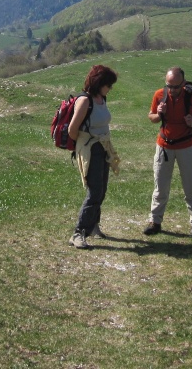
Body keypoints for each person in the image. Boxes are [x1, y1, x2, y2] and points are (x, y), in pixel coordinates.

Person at [143, 67, 192, 238]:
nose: (172, 90)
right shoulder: (159, 94)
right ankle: (155, 222)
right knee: (160, 187)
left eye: (176, 86)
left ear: (183, 83)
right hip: (164, 146)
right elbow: (151, 117)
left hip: (187, 146)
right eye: (169, 86)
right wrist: (159, 114)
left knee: (191, 187)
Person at [68, 65, 120, 250]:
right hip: (90, 150)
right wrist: (86, 143)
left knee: (102, 190)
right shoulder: (85, 101)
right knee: (94, 192)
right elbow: (72, 130)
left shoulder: (101, 98)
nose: (110, 88)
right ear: (99, 83)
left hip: (103, 147)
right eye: (108, 84)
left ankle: (93, 226)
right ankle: (78, 233)